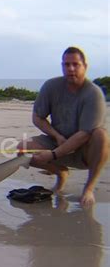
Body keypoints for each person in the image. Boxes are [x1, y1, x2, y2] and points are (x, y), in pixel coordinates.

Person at [17, 47, 109, 207]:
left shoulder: (93, 94)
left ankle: (88, 188)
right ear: (62, 66)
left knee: (101, 135)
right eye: (67, 64)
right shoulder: (51, 86)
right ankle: (61, 173)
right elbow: (37, 117)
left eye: (75, 64)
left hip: (85, 149)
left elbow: (85, 134)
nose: (71, 69)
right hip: (58, 140)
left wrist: (52, 155)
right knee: (22, 148)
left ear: (84, 66)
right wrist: (56, 136)